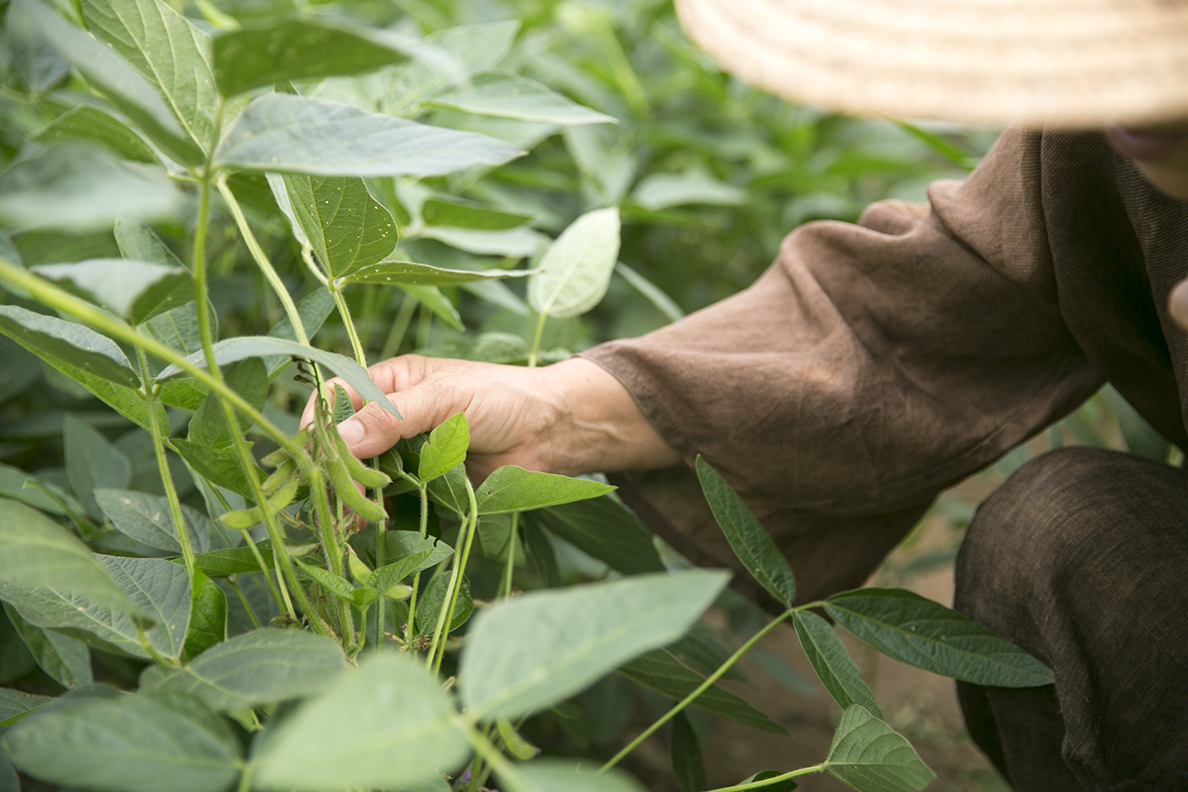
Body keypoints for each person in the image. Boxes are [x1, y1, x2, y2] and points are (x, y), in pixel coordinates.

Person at [306, 0, 1188, 787]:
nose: (1122, 59)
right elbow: (922, 316)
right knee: (1066, 536)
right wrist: (561, 410)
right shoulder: (1110, 121)